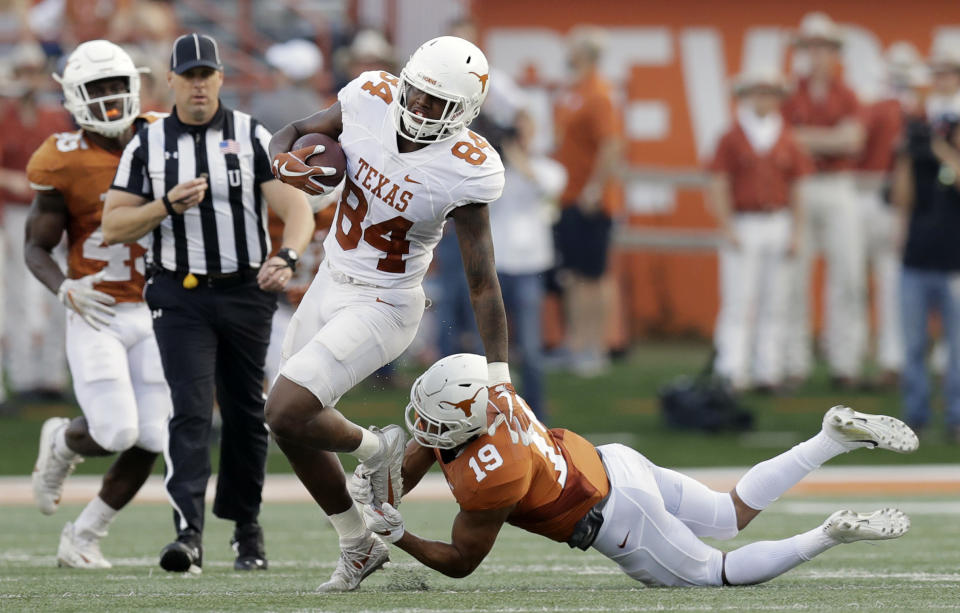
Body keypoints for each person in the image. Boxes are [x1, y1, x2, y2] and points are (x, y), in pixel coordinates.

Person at [264, 35, 515, 592]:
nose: (421, 109)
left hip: (384, 301)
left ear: (466, 113)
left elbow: (482, 279)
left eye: (437, 104)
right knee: (289, 427)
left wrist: (499, 374)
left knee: (285, 409)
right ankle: (357, 545)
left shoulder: (467, 168)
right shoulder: (371, 95)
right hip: (329, 279)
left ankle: (378, 447)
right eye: (417, 94)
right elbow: (294, 131)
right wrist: (282, 160)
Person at [353, 353, 916, 588]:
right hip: (612, 461)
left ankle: (828, 533)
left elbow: (460, 563)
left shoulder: (495, 476)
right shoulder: (490, 393)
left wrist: (396, 533)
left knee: (715, 573)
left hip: (614, 514)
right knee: (727, 513)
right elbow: (435, 440)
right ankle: (828, 439)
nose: (423, 426)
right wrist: (388, 486)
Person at [101, 32, 315, 574]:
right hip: (179, 293)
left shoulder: (249, 134)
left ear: (221, 78)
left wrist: (287, 257)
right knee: (191, 409)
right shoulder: (146, 144)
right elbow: (113, 225)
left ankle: (246, 529)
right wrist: (164, 205)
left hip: (246, 289)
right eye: (188, 75)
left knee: (246, 412)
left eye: (207, 74)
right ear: (170, 80)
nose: (198, 85)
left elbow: (299, 211)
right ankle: (187, 534)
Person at [24, 40, 170, 569]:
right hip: (97, 308)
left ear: (135, 86)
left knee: (153, 434)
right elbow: (36, 246)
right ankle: (65, 440)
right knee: (114, 432)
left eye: (116, 86)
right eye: (97, 89)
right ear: (73, 97)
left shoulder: (165, 136)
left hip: (157, 309)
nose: (109, 98)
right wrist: (63, 285)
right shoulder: (59, 158)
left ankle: (84, 536)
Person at [707, 69, 812, 392]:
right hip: (745, 221)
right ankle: (732, 370)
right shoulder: (732, 136)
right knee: (738, 300)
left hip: (777, 221)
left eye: (768, 93)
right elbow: (719, 183)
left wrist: (796, 231)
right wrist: (726, 225)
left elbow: (798, 187)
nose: (763, 99)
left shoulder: (787, 136)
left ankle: (769, 370)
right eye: (757, 92)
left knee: (775, 301)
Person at [781, 12, 867, 390]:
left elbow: (852, 141)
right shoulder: (790, 92)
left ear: (834, 52)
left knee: (847, 275)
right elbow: (784, 141)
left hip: (837, 183)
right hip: (801, 186)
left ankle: (844, 360)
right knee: (795, 277)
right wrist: (827, 137)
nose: (817, 54)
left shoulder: (846, 93)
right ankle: (793, 361)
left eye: (823, 47)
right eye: (811, 46)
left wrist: (804, 137)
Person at [891, 46, 960, 443]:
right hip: (917, 252)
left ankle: (955, 415)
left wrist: (940, 148)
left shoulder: (943, 135)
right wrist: (905, 154)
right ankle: (915, 415)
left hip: (955, 257)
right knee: (914, 344)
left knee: (957, 346)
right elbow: (902, 199)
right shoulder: (921, 127)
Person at [1, 40, 74, 406]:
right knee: (16, 294)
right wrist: (10, 180)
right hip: (16, 212)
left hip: (49, 209)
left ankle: (51, 373)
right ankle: (24, 373)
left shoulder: (53, 118)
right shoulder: (5, 116)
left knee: (56, 289)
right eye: (23, 72)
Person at [551, 26, 623, 377]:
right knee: (575, 274)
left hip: (588, 198)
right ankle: (576, 343)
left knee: (595, 274)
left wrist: (594, 188)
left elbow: (610, 145)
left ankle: (597, 345)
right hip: (567, 195)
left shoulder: (599, 93)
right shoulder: (572, 91)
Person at [856, 42, 926, 388]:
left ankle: (866, 359)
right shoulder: (917, 112)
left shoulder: (879, 108)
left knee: (865, 283)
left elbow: (856, 147)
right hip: (895, 201)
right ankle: (889, 357)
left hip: (872, 197)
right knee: (890, 283)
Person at [490, 109, 566, 419]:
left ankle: (535, 411)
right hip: (496, 263)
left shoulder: (549, 169)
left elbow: (544, 188)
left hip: (529, 266)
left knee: (531, 347)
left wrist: (516, 153)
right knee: (492, 345)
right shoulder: (495, 169)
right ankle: (490, 409)